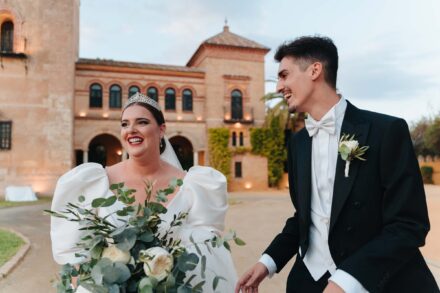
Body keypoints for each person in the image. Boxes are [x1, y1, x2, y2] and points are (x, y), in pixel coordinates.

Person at [236, 36, 439, 293]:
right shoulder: (298, 143)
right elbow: (305, 217)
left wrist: (348, 280)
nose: (278, 86)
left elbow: (409, 225)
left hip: (378, 283)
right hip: (308, 283)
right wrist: (267, 262)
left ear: (315, 70)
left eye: (284, 75)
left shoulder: (385, 131)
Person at [50, 92, 238, 292]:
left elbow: (206, 254)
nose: (131, 130)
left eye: (141, 122)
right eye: (124, 124)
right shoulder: (93, 182)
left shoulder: (194, 185)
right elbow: (75, 255)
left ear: (161, 129)